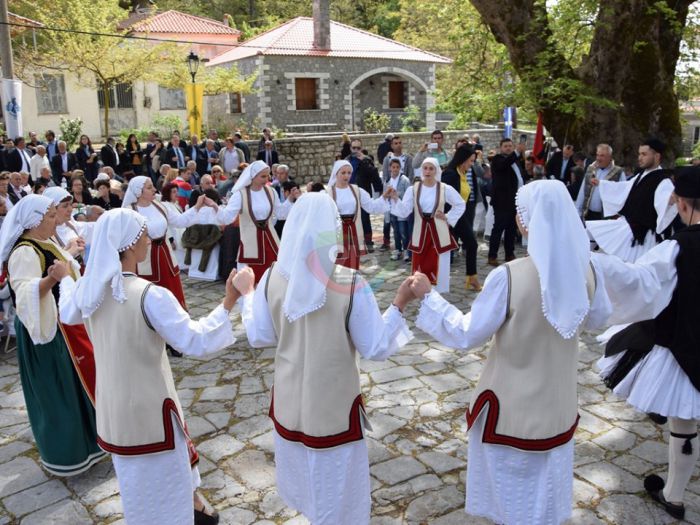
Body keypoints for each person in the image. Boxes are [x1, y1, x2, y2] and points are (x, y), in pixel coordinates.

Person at [401, 180, 610, 525]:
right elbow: (596, 318)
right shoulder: (588, 271)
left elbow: (467, 333)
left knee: (512, 498)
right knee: (545, 495)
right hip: (558, 408)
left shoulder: (509, 277)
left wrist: (429, 295)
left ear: (524, 221)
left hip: (510, 410)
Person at [236, 192, 413, 525]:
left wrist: (247, 297)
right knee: (337, 496)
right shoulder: (348, 282)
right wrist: (400, 304)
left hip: (290, 404)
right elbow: (376, 347)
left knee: (306, 485)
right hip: (334, 409)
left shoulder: (272, 278)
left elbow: (260, 336)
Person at [59, 208, 240, 525]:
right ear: (129, 244)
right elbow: (194, 340)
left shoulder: (88, 294)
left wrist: (67, 277)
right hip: (152, 412)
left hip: (115, 411)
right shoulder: (149, 296)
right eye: (143, 233)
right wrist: (228, 301)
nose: (148, 239)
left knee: (135, 491)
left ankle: (192, 512)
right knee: (166, 491)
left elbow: (67, 310)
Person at [593, 166, 700, 520]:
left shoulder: (676, 248)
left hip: (684, 345)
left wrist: (594, 262)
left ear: (682, 204)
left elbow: (639, 282)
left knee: (684, 424)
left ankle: (674, 494)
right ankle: (672, 492)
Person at [0, 195, 105, 476]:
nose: (54, 219)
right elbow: (23, 293)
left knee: (77, 387)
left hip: (65, 327)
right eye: (48, 216)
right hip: (46, 333)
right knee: (58, 392)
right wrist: (51, 279)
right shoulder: (24, 250)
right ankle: (67, 454)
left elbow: (64, 266)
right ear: (33, 221)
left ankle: (90, 444)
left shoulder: (45, 243)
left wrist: (69, 253)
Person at [121, 176, 213, 309]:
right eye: (149, 187)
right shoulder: (130, 211)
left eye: (152, 186)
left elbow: (181, 221)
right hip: (145, 259)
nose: (154, 189)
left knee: (171, 290)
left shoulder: (160, 206)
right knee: (150, 293)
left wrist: (197, 206)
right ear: (138, 192)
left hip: (165, 255)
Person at [585, 139, 676, 262]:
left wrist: (670, 201)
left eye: (644, 154)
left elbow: (666, 200)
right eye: (639, 154)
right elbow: (623, 188)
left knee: (630, 268)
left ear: (657, 156)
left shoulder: (663, 180)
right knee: (589, 232)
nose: (639, 158)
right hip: (627, 227)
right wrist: (602, 184)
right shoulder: (641, 175)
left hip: (642, 236)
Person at [390, 158, 465, 293]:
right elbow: (404, 210)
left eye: (431, 168)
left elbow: (460, 204)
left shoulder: (444, 188)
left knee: (440, 267)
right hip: (421, 233)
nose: (428, 171)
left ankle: (438, 297)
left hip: (439, 234)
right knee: (420, 267)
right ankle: (422, 295)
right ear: (421, 170)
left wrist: (447, 217)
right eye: (425, 168)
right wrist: (396, 199)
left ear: (436, 171)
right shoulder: (413, 189)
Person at [213, 160, 292, 284]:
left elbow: (281, 214)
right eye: (263, 176)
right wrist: (215, 207)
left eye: (268, 175)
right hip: (250, 242)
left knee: (274, 277)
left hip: (271, 241)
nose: (267, 179)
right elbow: (227, 217)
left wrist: (290, 200)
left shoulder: (271, 192)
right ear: (253, 176)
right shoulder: (240, 195)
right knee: (251, 279)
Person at [327, 160, 393, 270]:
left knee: (352, 262)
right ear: (336, 174)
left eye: (349, 173)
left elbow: (371, 206)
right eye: (343, 173)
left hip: (353, 230)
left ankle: (352, 285)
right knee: (338, 261)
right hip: (337, 231)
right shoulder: (328, 193)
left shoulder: (357, 190)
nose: (346, 176)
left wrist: (384, 197)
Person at [442, 144, 482, 291]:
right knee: (467, 245)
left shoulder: (462, 173)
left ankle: (472, 277)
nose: (472, 164)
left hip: (462, 216)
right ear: (463, 159)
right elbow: (445, 199)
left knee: (470, 244)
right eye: (471, 161)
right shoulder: (451, 174)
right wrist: (448, 220)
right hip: (452, 218)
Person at [487, 138, 524, 266]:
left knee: (511, 229)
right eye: (505, 146)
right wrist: (517, 153)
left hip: (515, 200)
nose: (508, 148)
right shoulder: (498, 159)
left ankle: (509, 253)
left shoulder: (515, 161)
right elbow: (505, 164)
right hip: (502, 201)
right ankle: (492, 255)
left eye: (510, 146)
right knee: (498, 228)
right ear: (501, 148)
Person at [575, 144, 626, 220]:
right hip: (588, 214)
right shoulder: (591, 169)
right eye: (597, 155)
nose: (598, 158)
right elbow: (582, 191)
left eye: (602, 156)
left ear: (610, 157)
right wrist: (577, 211)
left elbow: (623, 195)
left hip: (606, 218)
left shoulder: (619, 172)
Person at [384, 158, 411, 262]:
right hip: (392, 210)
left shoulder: (405, 180)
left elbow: (408, 195)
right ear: (389, 168)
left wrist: (397, 195)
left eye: (397, 167)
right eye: (393, 167)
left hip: (401, 211)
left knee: (404, 231)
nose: (395, 169)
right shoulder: (387, 180)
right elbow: (384, 195)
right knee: (396, 232)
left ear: (400, 168)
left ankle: (406, 250)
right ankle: (398, 249)